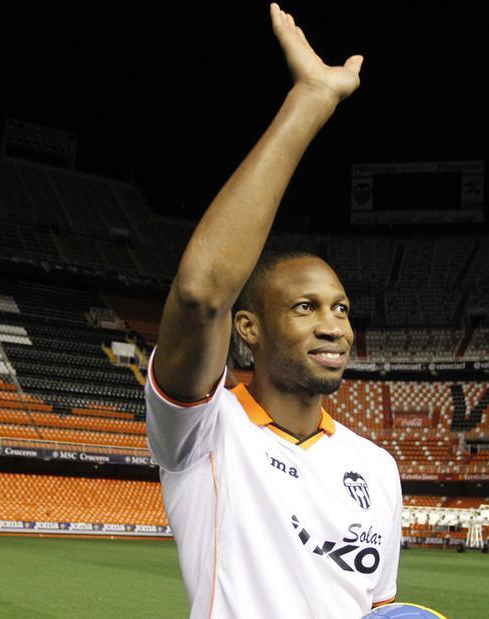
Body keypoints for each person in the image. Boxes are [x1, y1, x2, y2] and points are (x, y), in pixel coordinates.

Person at [145, 4, 401, 618]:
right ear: (249, 327)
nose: (333, 324)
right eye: (305, 307)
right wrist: (311, 101)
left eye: (341, 308)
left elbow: (377, 610)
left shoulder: (377, 468)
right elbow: (202, 291)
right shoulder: (204, 433)